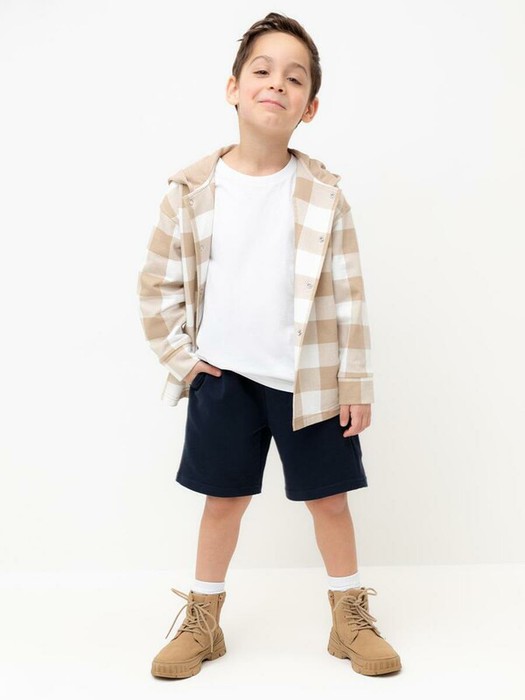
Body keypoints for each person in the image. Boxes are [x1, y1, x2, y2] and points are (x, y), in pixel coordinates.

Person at [137, 11, 402, 680]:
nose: (276, 83)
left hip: (307, 381)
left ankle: (348, 616)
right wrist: (184, 362)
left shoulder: (324, 195)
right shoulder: (191, 191)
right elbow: (157, 285)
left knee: (330, 501)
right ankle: (203, 619)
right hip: (224, 379)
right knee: (221, 501)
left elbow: (349, 297)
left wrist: (354, 383)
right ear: (233, 88)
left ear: (309, 107)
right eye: (261, 70)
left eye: (294, 77)